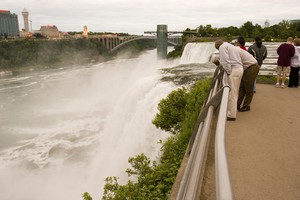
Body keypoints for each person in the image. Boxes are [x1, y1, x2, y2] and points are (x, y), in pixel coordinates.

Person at [214, 39, 244, 121]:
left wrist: (228, 72)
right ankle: (232, 112)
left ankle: (231, 115)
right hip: (239, 69)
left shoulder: (222, 47)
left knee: (232, 93)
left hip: (234, 70)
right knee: (235, 92)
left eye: (217, 48)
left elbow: (225, 60)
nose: (218, 50)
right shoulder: (230, 46)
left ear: (218, 45)